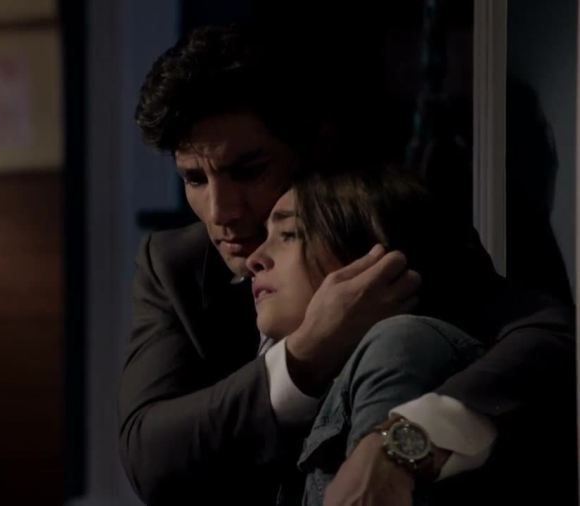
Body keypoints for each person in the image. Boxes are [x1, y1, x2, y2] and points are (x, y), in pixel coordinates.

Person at [118, 24, 576, 505]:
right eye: (194, 179)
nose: (220, 211)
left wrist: (405, 442)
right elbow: (149, 456)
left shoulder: (384, 228)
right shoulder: (175, 265)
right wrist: (304, 356)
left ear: (312, 150)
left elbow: (547, 335)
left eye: (248, 171)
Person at [247, 166, 492, 504]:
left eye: (289, 234)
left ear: (372, 257)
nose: (255, 259)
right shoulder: (327, 382)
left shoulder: (399, 343)